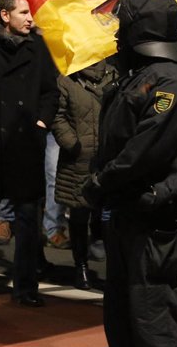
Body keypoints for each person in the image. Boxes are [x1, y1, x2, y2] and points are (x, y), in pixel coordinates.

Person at [82, 0, 177, 347]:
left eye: (124, 23)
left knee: (151, 319)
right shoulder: (139, 74)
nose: (117, 32)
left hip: (152, 216)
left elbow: (145, 148)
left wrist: (100, 182)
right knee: (122, 317)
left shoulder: (171, 79)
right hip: (126, 210)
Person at [0, 0, 59, 307]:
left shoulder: (37, 49)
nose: (30, 18)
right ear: (4, 15)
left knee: (26, 221)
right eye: (23, 12)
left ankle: (25, 288)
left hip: (25, 144)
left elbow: (51, 91)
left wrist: (40, 123)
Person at [52, 59, 117, 289]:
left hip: (107, 158)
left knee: (106, 214)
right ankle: (80, 266)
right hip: (78, 160)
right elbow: (57, 115)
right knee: (79, 215)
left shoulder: (114, 75)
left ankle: (114, 269)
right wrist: (72, 143)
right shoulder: (67, 79)